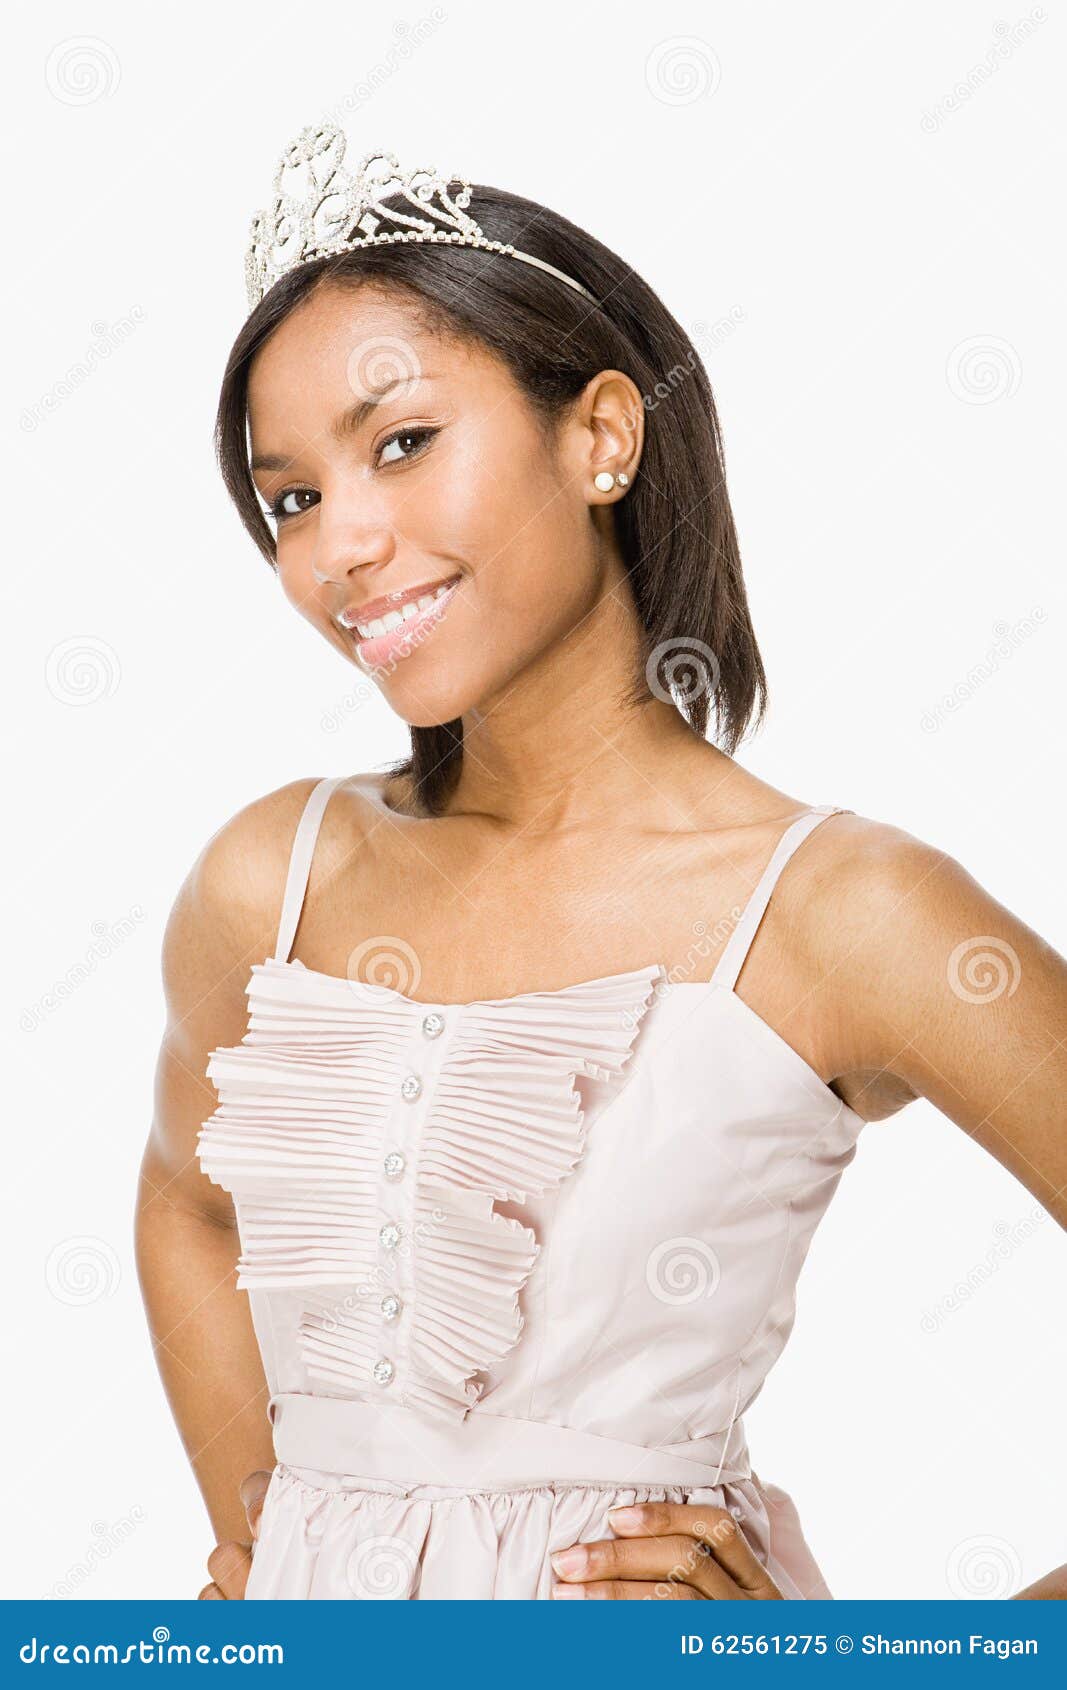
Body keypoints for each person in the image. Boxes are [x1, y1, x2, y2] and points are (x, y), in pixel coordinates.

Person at [135, 127, 1067, 1600]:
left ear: (602, 437)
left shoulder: (841, 910)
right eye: (292, 495)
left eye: (400, 442)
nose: (341, 546)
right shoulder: (275, 878)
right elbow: (187, 1196)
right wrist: (271, 1547)